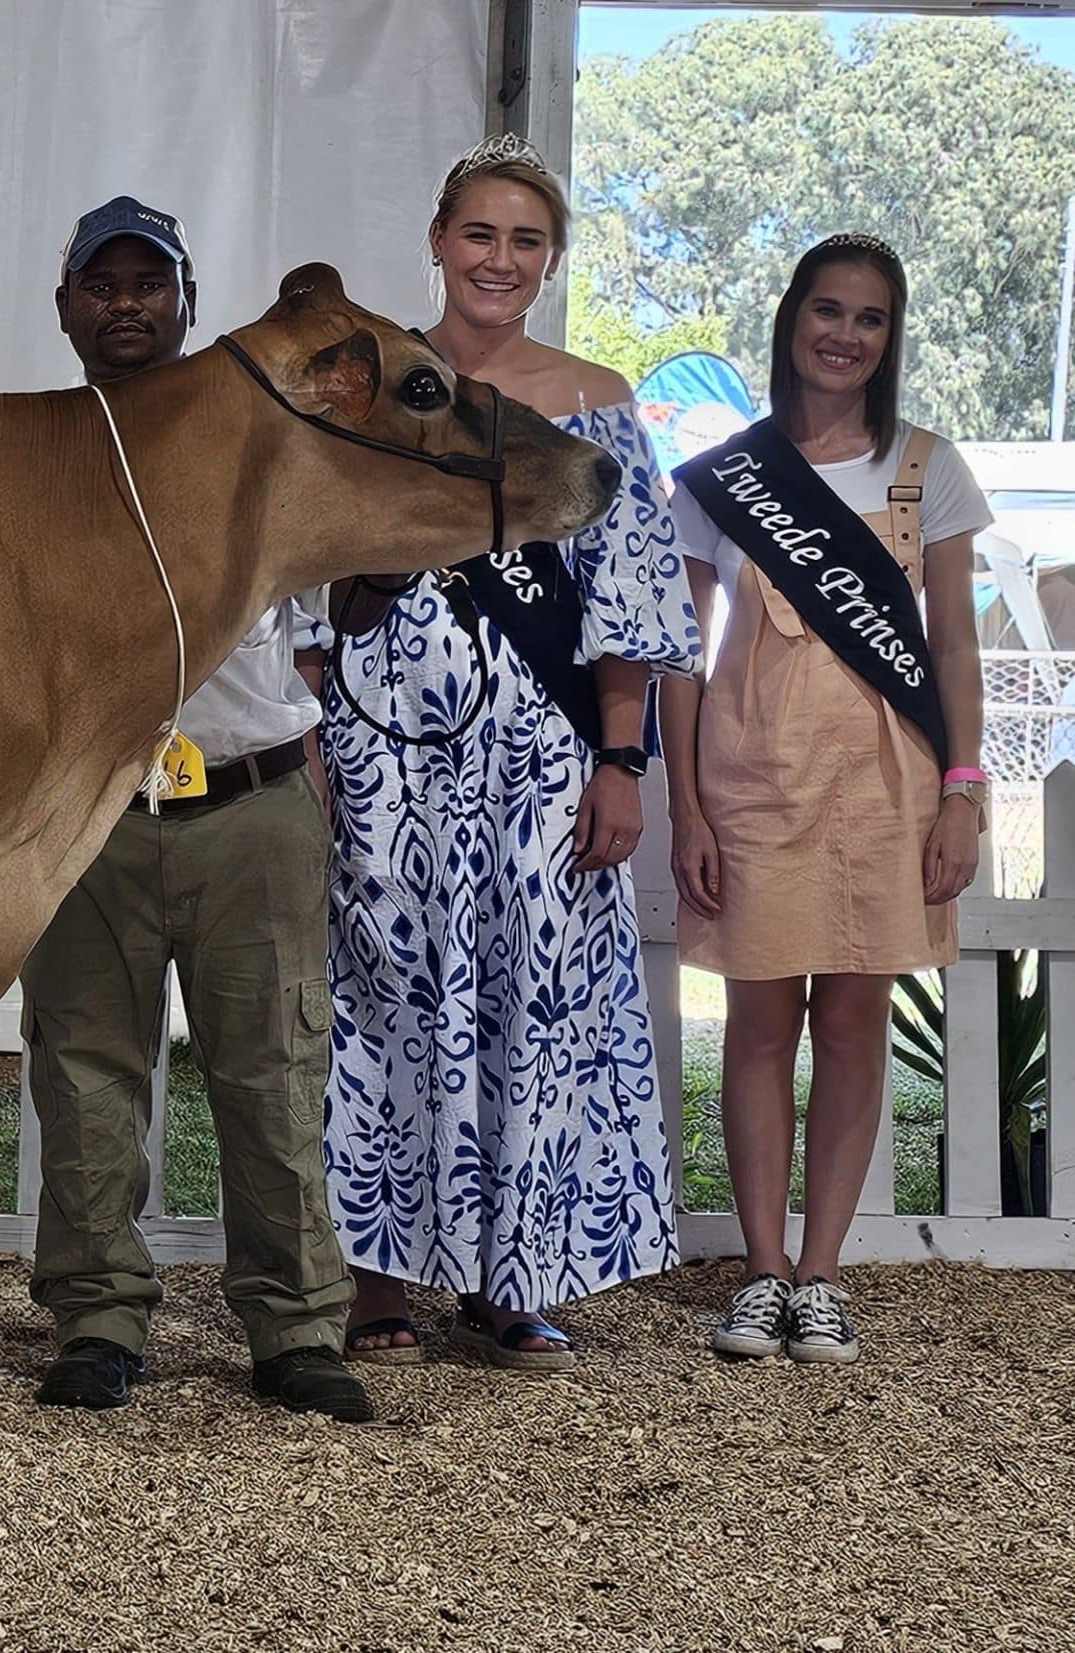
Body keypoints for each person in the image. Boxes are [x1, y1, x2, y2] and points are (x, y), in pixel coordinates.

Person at [320, 136, 699, 1370]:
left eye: (524, 240)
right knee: (384, 995)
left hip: (543, 753)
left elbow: (628, 600)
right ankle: (377, 1282)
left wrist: (622, 762)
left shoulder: (593, 398)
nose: (499, 259)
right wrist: (311, 719)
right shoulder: (374, 383)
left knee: (527, 1000)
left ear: (549, 260)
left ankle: (512, 1276)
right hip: (383, 748)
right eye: (478, 233)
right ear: (436, 239)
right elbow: (306, 567)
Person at [21, 196, 367, 1423]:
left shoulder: (262, 439)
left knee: (272, 1067)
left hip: (252, 799)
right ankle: (99, 1316)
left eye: (146, 284)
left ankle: (294, 1326)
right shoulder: (32, 453)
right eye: (100, 285)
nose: (125, 304)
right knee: (85, 1070)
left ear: (186, 304)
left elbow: (334, 619)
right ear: (63, 307)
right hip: (92, 808)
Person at [665, 234, 989, 1364]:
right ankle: (760, 1273)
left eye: (869, 318)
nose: (844, 335)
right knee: (758, 1027)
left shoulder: (927, 468)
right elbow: (678, 656)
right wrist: (689, 810)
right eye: (826, 310)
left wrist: (964, 792)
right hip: (751, 773)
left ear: (889, 339)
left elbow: (954, 650)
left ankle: (822, 1276)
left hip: (888, 783)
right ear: (791, 319)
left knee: (852, 1027)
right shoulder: (720, 479)